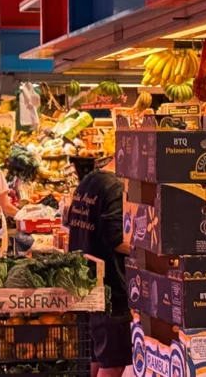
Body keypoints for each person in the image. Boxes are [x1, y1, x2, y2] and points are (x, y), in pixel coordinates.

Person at [67, 154, 130, 377]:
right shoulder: (116, 187)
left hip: (87, 282)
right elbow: (116, 238)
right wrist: (151, 250)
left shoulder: (88, 181)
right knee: (113, 361)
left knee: (97, 355)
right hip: (110, 288)